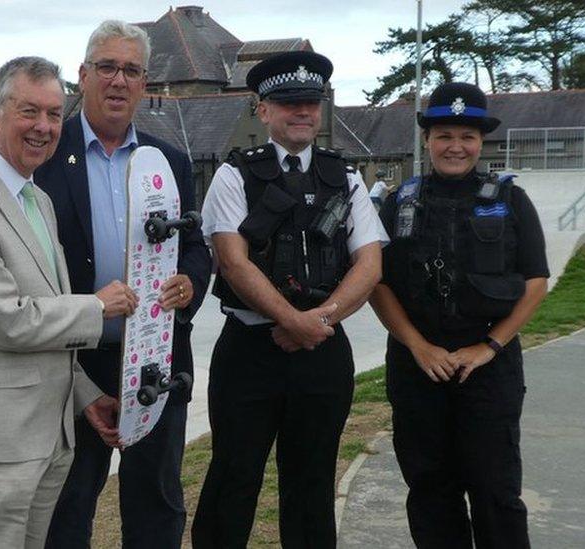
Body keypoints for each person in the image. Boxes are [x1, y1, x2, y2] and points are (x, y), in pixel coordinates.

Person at [0, 56, 139, 549]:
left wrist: (84, 394)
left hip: (49, 433)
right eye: (29, 112)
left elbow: (46, 313)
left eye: (55, 114)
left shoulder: (36, 199)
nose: (44, 127)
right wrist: (97, 307)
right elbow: (8, 321)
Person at [191, 50, 387, 548]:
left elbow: (369, 265)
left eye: (310, 102)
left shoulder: (344, 176)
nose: (301, 112)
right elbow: (234, 262)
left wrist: (315, 321)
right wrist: (293, 321)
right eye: (287, 103)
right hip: (251, 353)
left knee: (312, 480)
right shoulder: (235, 175)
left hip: (321, 350)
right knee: (234, 477)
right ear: (263, 110)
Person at [35, 20, 211, 549]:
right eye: (107, 67)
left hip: (155, 357)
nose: (118, 80)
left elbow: (196, 244)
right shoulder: (44, 154)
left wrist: (190, 282)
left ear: (145, 83)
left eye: (131, 70)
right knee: (67, 510)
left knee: (157, 505)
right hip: (75, 363)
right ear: (83, 76)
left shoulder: (170, 161)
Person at [369, 82, 549, 549]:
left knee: (495, 491)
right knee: (430, 490)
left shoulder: (511, 201)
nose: (456, 146)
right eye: (444, 134)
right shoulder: (399, 203)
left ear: (480, 142)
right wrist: (418, 345)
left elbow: (535, 281)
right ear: (427, 139)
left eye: (466, 136)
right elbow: (379, 283)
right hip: (418, 366)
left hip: (488, 367)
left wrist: (489, 347)